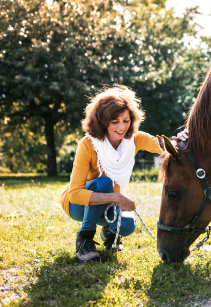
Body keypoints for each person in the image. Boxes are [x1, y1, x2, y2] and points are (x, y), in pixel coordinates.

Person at [60, 86, 162, 263]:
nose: (122, 127)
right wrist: (116, 197)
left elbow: (166, 145)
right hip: (77, 205)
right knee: (105, 182)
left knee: (128, 226)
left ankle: (108, 231)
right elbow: (75, 194)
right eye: (114, 121)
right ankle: (84, 240)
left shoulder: (135, 140)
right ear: (102, 121)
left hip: (108, 202)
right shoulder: (87, 144)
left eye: (126, 120)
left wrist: (183, 138)